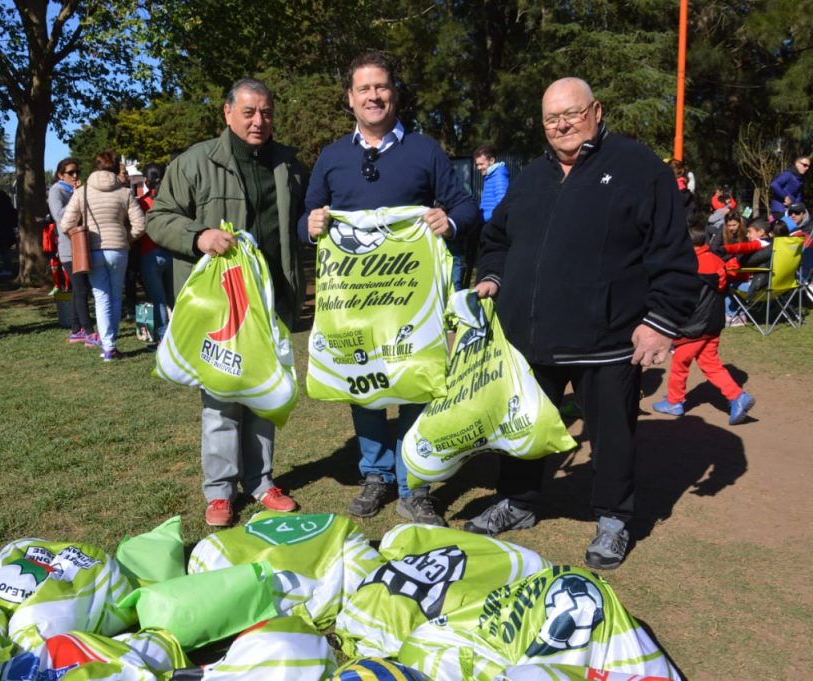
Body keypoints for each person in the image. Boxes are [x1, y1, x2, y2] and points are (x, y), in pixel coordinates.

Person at [467, 77, 698, 570]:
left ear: (596, 110)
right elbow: (497, 238)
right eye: (552, 118)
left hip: (609, 339)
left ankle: (614, 518)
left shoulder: (639, 168)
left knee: (612, 436)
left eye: (571, 114)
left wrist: (659, 321)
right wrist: (491, 277)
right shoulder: (529, 176)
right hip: (530, 339)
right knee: (524, 428)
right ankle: (520, 502)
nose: (562, 125)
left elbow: (673, 252)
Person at [301, 50, 477, 526]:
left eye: (382, 87)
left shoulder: (425, 151)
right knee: (366, 388)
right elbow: (307, 218)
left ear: (394, 94)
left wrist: (450, 220)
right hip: (356, 306)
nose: (374, 96)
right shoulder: (333, 157)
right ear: (350, 100)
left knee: (417, 383)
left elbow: (466, 206)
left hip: (411, 304)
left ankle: (413, 485)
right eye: (364, 89)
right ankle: (376, 475)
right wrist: (312, 222)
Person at [147, 77, 306, 527]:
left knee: (263, 392)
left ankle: (261, 482)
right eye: (250, 112)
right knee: (220, 398)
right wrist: (198, 236)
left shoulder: (289, 165)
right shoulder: (196, 161)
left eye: (267, 112)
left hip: (270, 298)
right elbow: (158, 219)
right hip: (221, 306)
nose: (259, 121)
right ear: (227, 112)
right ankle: (219, 491)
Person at [653, 220, 755, 425]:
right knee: (711, 364)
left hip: (693, 327)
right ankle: (737, 396)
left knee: (680, 364)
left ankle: (674, 401)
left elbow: (679, 297)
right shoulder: (716, 260)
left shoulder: (688, 266)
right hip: (713, 324)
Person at [59, 150, 146, 361]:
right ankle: (110, 344)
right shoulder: (125, 192)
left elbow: (65, 224)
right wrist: (126, 238)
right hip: (118, 249)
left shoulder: (83, 192)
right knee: (116, 295)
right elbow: (141, 225)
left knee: (101, 297)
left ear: (95, 167)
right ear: (117, 168)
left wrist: (79, 238)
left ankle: (108, 345)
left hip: (93, 250)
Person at [48, 157, 98, 347]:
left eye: (77, 171)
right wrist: (76, 198)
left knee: (81, 289)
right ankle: (89, 331)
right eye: (70, 172)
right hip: (69, 247)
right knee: (81, 289)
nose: (75, 175)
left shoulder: (76, 191)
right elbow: (59, 216)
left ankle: (76, 330)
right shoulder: (56, 191)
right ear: (61, 175)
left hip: (81, 244)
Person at [137, 162, 173, 347]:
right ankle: (181, 334)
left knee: (158, 299)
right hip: (171, 251)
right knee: (174, 296)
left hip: (149, 253)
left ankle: (163, 337)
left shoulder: (142, 202)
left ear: (145, 180)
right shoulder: (171, 199)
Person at [0, 189, 18, 277]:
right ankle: (7, 268)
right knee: (7, 252)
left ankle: (7, 268)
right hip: (9, 232)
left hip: (1, 232)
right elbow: (15, 221)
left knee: (4, 252)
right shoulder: (10, 208)